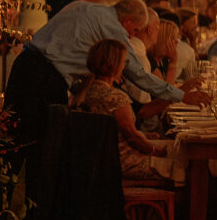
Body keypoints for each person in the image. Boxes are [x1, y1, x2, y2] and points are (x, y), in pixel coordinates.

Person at [30, 0, 189, 108]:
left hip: (26, 62)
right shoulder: (114, 27)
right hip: (45, 78)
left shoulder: (81, 6)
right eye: (134, 30)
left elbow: (71, 52)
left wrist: (80, 90)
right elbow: (138, 74)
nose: (131, 36)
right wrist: (183, 96)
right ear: (126, 20)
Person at [70, 37, 184, 185]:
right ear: (113, 64)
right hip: (123, 162)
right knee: (182, 162)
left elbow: (115, 132)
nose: (124, 65)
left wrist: (145, 136)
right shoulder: (116, 97)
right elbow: (132, 137)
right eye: (123, 61)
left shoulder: (86, 92)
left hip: (99, 160)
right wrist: (156, 151)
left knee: (173, 148)